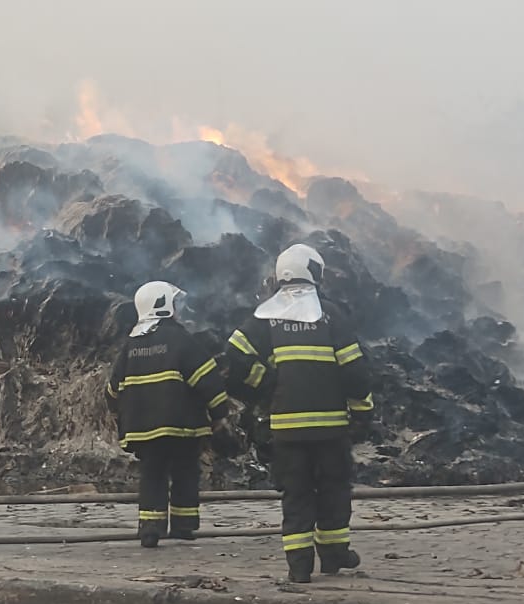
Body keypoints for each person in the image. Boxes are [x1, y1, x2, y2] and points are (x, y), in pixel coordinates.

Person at [224, 244, 374, 582]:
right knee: (334, 489)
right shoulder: (332, 314)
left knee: (296, 494)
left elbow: (232, 359)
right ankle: (334, 556)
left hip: (286, 429)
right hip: (330, 428)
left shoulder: (265, 316)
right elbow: (355, 372)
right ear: (315, 273)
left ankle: (299, 567)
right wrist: (363, 412)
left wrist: (266, 385)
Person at [106, 281, 230, 548]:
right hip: (181, 426)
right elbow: (208, 380)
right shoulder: (181, 339)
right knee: (185, 471)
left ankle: (150, 528)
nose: (178, 310)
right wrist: (219, 413)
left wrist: (121, 414)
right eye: (174, 304)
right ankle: (183, 526)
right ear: (163, 306)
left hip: (143, 429)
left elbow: (113, 390)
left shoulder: (131, 344)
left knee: (152, 474)